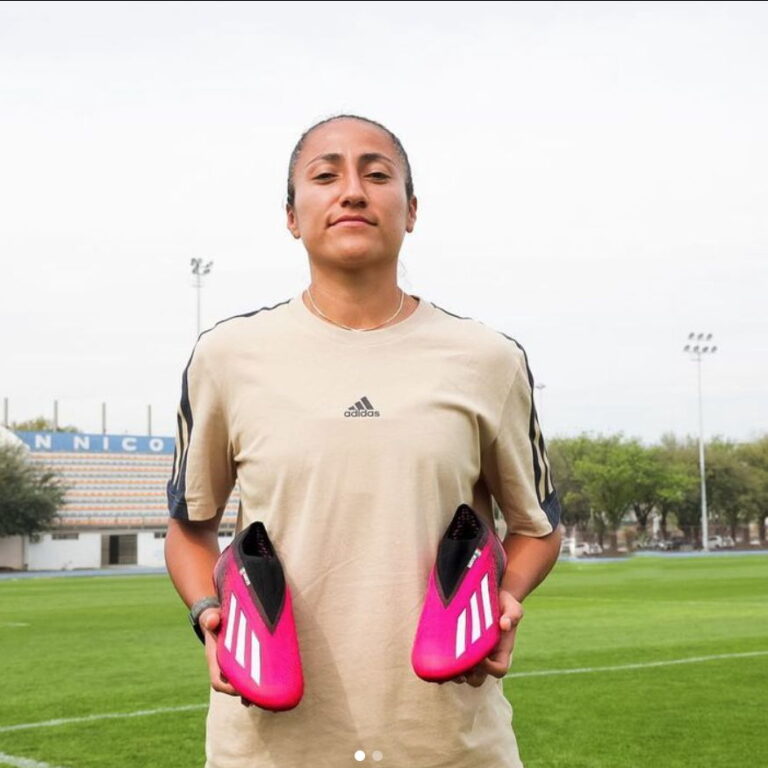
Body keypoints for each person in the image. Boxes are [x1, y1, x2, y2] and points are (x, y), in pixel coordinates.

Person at [164, 113, 564, 768]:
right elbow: (190, 526)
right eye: (325, 176)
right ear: (292, 216)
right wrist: (208, 611)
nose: (352, 191)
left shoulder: (487, 359)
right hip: (268, 750)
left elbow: (537, 527)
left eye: (376, 175)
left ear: (411, 210)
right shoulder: (226, 356)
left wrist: (505, 598)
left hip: (451, 746)